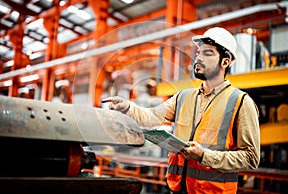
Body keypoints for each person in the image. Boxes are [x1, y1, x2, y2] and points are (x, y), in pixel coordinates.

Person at [102, 27, 260, 193]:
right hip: (178, 190)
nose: (198, 58)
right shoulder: (183, 97)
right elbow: (152, 116)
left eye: (208, 54)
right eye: (199, 53)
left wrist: (203, 156)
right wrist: (128, 107)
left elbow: (251, 158)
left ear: (225, 62)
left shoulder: (241, 102)